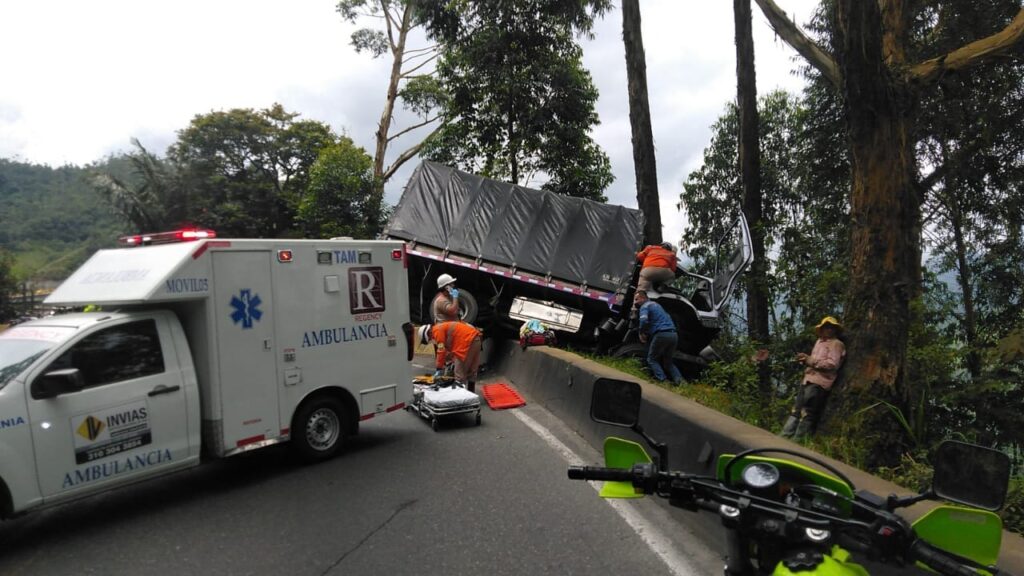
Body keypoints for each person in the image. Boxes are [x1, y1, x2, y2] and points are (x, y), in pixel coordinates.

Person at [781, 316, 846, 440]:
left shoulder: (836, 344)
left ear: (835, 330)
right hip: (808, 379)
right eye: (826, 327)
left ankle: (797, 441)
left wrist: (810, 361)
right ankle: (784, 437)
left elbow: (832, 365)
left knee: (807, 412)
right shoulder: (819, 342)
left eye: (831, 328)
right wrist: (805, 359)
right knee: (796, 409)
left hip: (820, 383)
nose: (828, 330)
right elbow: (813, 360)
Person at [418, 321, 483, 392]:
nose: (431, 340)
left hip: (467, 343)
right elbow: (451, 346)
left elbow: (441, 350)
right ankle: (471, 394)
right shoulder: (441, 327)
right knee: (472, 371)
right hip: (476, 340)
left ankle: (461, 398)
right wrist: (451, 359)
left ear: (428, 334)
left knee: (459, 374)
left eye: (429, 339)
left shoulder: (436, 331)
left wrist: (439, 368)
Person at [634, 290, 683, 384]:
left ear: (643, 298)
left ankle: (663, 381)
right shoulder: (657, 305)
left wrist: (641, 333)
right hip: (673, 335)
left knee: (651, 359)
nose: (635, 302)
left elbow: (644, 321)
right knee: (668, 362)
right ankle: (681, 382)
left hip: (662, 334)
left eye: (637, 299)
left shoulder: (645, 306)